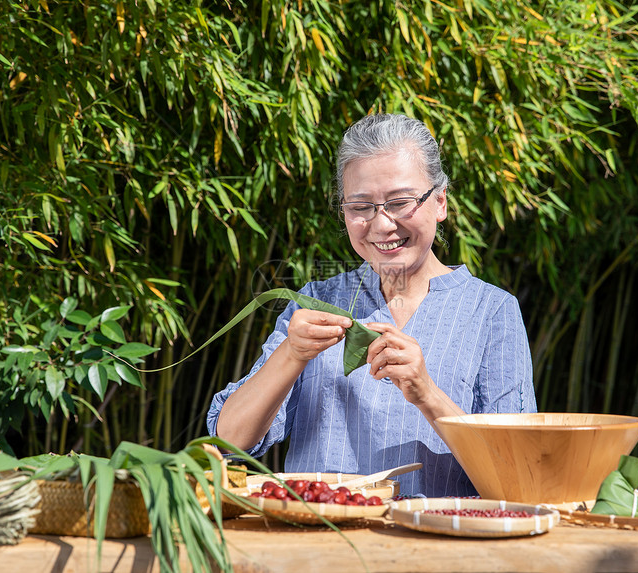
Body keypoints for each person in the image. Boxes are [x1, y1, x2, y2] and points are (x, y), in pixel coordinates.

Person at [207, 113, 536, 496]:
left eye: (400, 202)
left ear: (440, 201)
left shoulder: (491, 311)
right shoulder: (316, 304)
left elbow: (516, 472)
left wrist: (426, 392)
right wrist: (291, 354)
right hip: (320, 540)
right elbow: (229, 442)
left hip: (437, 545)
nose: (381, 225)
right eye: (360, 207)